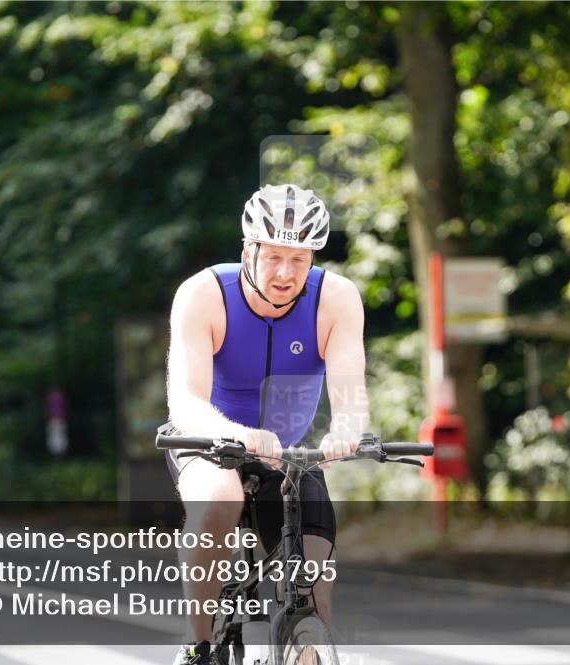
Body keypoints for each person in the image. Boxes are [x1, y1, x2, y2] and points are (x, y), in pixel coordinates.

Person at [164, 184, 369, 665]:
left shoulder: (335, 299)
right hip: (208, 439)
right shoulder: (203, 294)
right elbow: (185, 401)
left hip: (290, 451)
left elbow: (351, 396)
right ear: (248, 250)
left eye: (299, 259)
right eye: (274, 256)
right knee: (219, 498)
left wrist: (348, 430)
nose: (284, 273)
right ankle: (199, 646)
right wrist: (232, 434)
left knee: (315, 574)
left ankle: (308, 648)